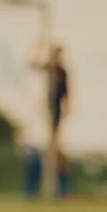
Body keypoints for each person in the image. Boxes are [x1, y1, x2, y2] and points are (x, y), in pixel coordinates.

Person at [31, 45, 70, 198]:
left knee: (55, 146)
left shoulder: (62, 71)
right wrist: (39, 44)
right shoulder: (49, 68)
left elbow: (66, 93)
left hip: (56, 111)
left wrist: (66, 108)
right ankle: (46, 185)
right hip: (48, 110)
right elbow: (33, 64)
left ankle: (59, 187)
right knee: (50, 147)